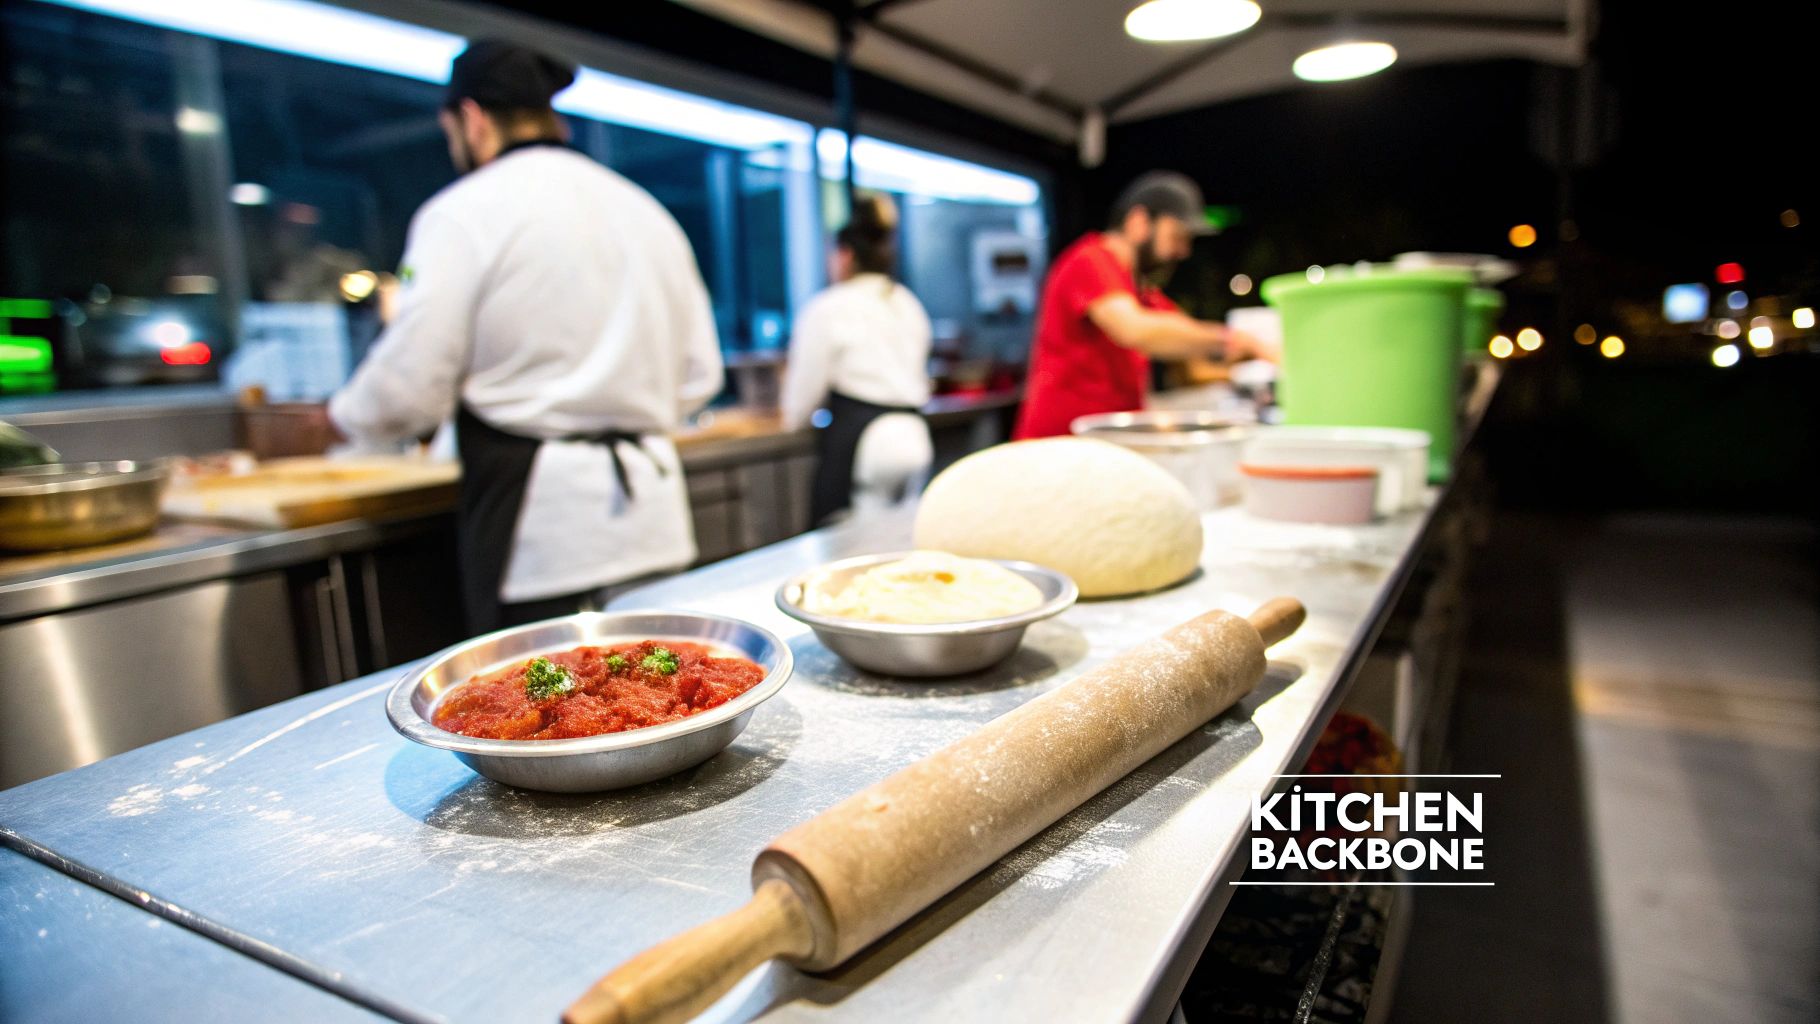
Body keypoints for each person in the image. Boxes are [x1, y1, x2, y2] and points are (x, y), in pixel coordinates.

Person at [326, 40, 723, 632]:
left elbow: (412, 385)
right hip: (653, 521)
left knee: (544, 706)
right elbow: (699, 375)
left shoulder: (461, 212)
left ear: (472, 119)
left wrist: (344, 418)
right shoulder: (647, 212)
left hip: (543, 531)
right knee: (663, 690)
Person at [1013, 171, 1260, 440]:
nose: (1183, 251)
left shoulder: (1140, 292)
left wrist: (1249, 362)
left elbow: (1189, 360)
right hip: (1061, 445)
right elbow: (1134, 329)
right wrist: (1234, 339)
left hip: (1108, 444)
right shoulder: (1090, 260)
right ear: (1139, 222)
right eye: (1177, 235)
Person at [780, 193, 934, 524]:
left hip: (865, 439)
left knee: (847, 538)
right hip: (915, 433)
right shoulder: (908, 302)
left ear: (845, 255)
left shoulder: (830, 306)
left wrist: (794, 419)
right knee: (903, 530)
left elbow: (802, 395)